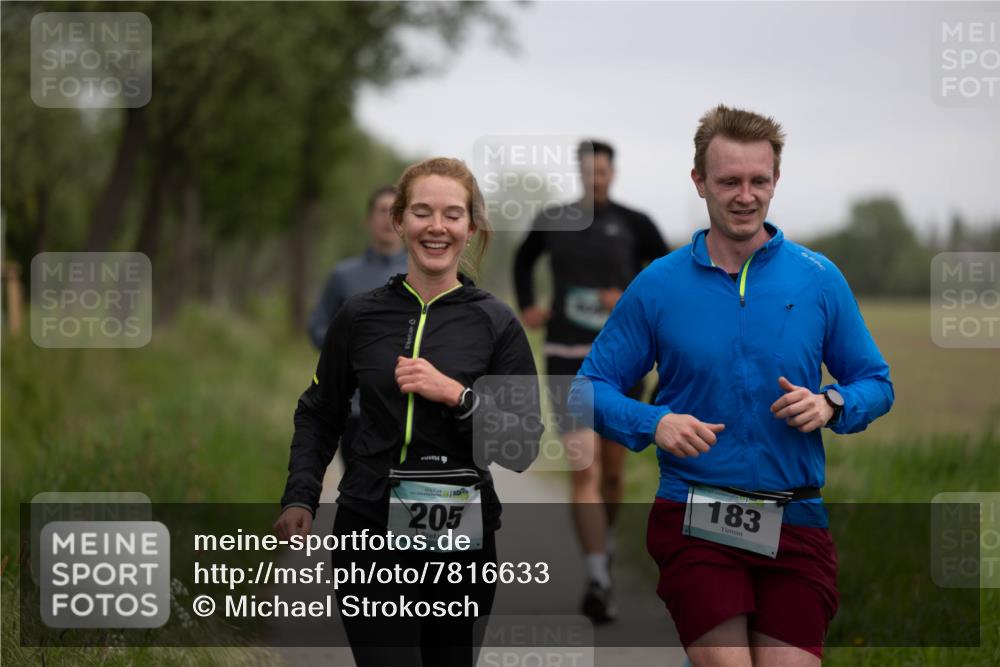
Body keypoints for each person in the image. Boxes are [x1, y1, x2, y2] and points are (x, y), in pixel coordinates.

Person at [570, 105, 894, 666]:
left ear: (775, 180)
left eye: (758, 181)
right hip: (696, 518)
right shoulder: (658, 286)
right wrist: (655, 422)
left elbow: (876, 382)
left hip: (795, 518)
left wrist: (833, 402)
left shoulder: (818, 279)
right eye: (728, 181)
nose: (745, 196)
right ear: (699, 182)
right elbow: (587, 387)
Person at [276, 157, 541, 667]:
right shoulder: (359, 315)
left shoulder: (496, 323)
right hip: (367, 526)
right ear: (399, 221)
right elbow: (319, 410)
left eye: (452, 214)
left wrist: (457, 395)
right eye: (422, 212)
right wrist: (301, 495)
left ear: (470, 228)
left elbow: (523, 445)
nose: (436, 227)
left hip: (460, 537)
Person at [512, 139, 669, 622]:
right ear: (579, 173)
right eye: (588, 172)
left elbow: (666, 276)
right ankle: (598, 575)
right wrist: (529, 305)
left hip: (623, 364)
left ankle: (607, 540)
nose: (595, 179)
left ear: (612, 173)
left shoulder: (635, 223)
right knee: (586, 471)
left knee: (614, 474)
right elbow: (523, 258)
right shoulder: (555, 219)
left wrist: (625, 297)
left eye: (602, 172)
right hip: (566, 358)